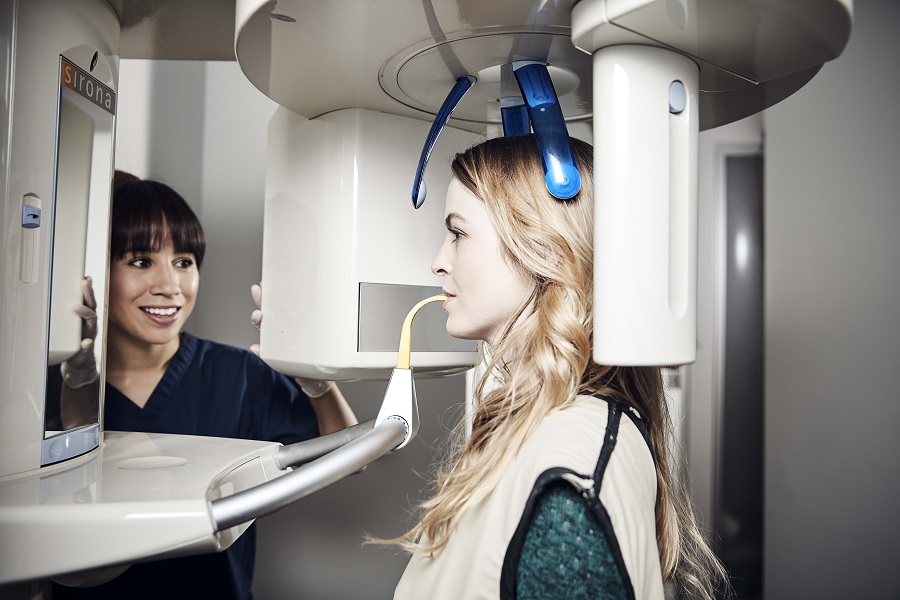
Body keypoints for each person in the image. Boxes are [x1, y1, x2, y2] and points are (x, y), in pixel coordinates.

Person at [390, 135, 731, 599]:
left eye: (458, 233)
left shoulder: (564, 484)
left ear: (545, 251)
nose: (438, 262)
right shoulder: (537, 426)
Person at [53, 171, 358, 600]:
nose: (169, 287)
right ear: (96, 273)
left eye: (184, 262)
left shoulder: (238, 374)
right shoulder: (55, 387)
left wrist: (316, 379)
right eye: (141, 261)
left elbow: (350, 458)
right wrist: (78, 384)